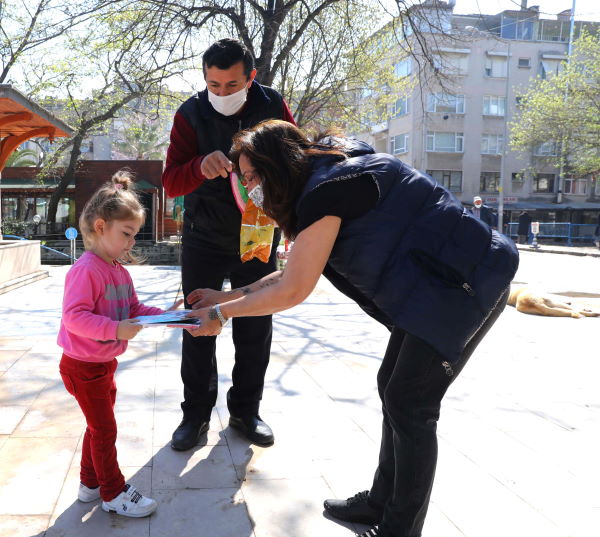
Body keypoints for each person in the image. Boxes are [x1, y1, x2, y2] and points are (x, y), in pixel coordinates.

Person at [184, 120, 519, 537]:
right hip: (435, 288)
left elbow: (293, 290)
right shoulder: (325, 177)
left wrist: (221, 317)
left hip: (468, 282)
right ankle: (380, 503)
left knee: (410, 405)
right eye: (245, 179)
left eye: (253, 176)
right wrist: (222, 298)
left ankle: (400, 528)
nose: (250, 188)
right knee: (393, 389)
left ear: (278, 164)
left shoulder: (328, 191)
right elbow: (294, 272)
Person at [161, 38, 296, 451]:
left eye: (231, 84)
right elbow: (170, 180)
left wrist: (291, 219)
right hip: (204, 235)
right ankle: (195, 415)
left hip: (258, 235)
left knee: (256, 327)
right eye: (213, 85)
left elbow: (297, 163)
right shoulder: (190, 113)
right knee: (197, 325)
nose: (221, 93)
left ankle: (246, 411)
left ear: (251, 77)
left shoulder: (273, 106)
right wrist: (199, 166)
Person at [57, 172, 182, 518]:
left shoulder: (118, 272)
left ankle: (89, 484)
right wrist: (115, 329)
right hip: (82, 367)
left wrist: (170, 316)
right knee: (105, 429)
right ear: (100, 226)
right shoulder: (86, 270)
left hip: (102, 365)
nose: (131, 243)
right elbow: (74, 317)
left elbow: (135, 310)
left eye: (134, 235)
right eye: (126, 234)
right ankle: (112, 492)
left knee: (97, 426)